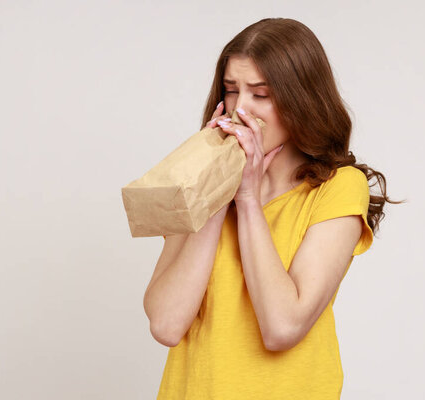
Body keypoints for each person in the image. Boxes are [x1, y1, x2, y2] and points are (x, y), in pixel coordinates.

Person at [143, 17, 403, 399]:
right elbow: (165, 325)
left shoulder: (338, 188)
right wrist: (217, 193)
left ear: (301, 100)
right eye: (232, 91)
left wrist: (247, 201)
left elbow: (282, 327)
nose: (241, 109)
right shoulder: (200, 185)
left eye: (260, 95)